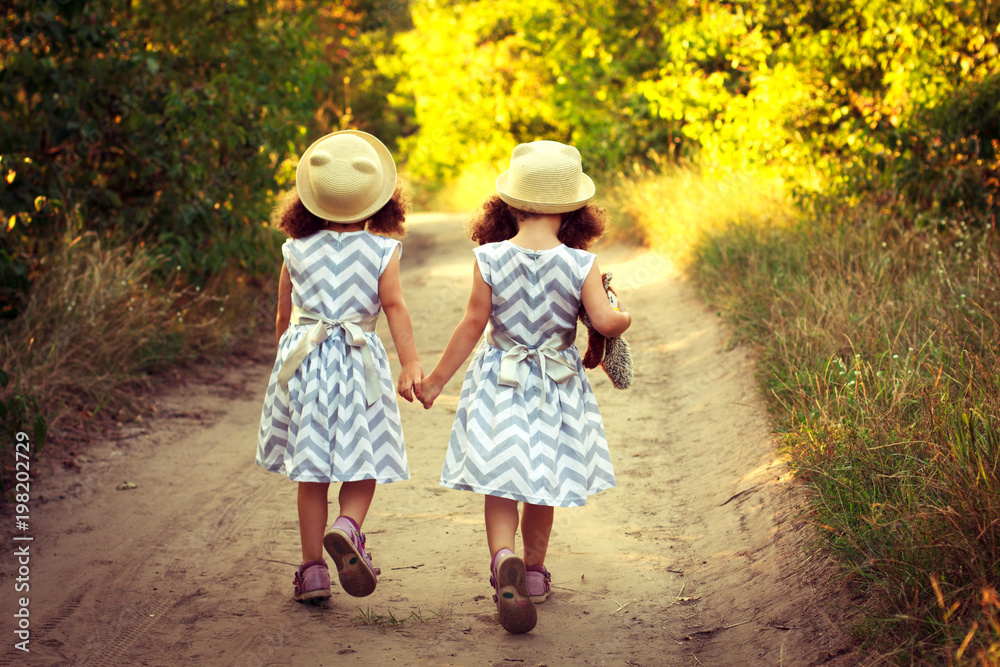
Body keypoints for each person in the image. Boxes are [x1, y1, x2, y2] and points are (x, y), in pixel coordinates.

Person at [418, 140, 631, 633]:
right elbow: (604, 320)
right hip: (555, 385)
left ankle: (502, 559)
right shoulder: (582, 264)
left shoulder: (489, 257)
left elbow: (472, 325)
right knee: (543, 483)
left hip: (499, 380)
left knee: (499, 481)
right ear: (576, 210)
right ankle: (533, 574)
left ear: (509, 204)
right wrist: (623, 316)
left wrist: (434, 383)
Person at [256, 130, 422, 603]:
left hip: (306, 364)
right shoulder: (381, 250)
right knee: (362, 460)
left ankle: (312, 571)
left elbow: (284, 316)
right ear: (377, 202)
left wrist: (282, 364)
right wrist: (409, 363)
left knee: (311, 473)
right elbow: (395, 307)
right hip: (358, 366)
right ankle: (348, 526)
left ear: (309, 201)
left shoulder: (294, 248)